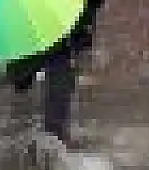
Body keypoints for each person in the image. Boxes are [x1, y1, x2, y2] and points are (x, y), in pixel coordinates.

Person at [7, 0, 107, 150]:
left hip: (57, 23)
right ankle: (51, 135)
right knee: (54, 68)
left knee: (56, 68)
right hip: (50, 24)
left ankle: (51, 135)